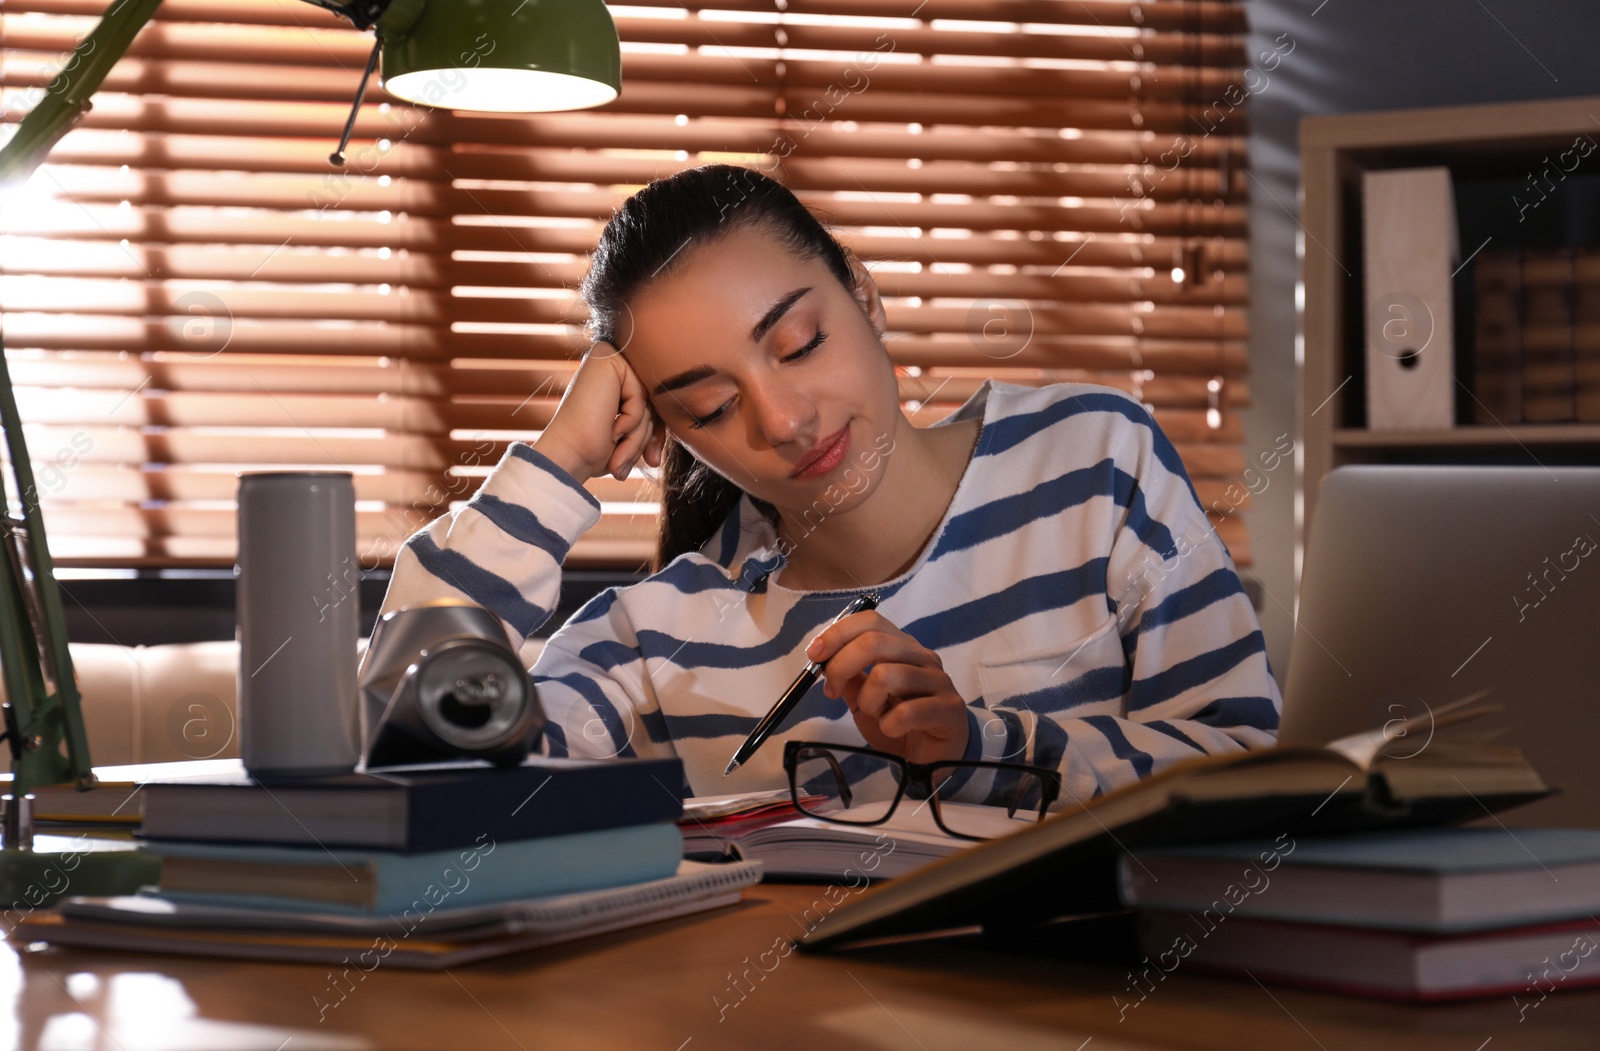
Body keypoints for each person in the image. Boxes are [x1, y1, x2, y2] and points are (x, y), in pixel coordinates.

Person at [375, 164, 1281, 806]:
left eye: (800, 344)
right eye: (710, 405)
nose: (783, 420)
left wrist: (981, 746)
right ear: (663, 435)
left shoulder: (1091, 462)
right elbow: (412, 768)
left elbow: (1250, 776)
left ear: (865, 291)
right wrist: (559, 459)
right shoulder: (655, 637)